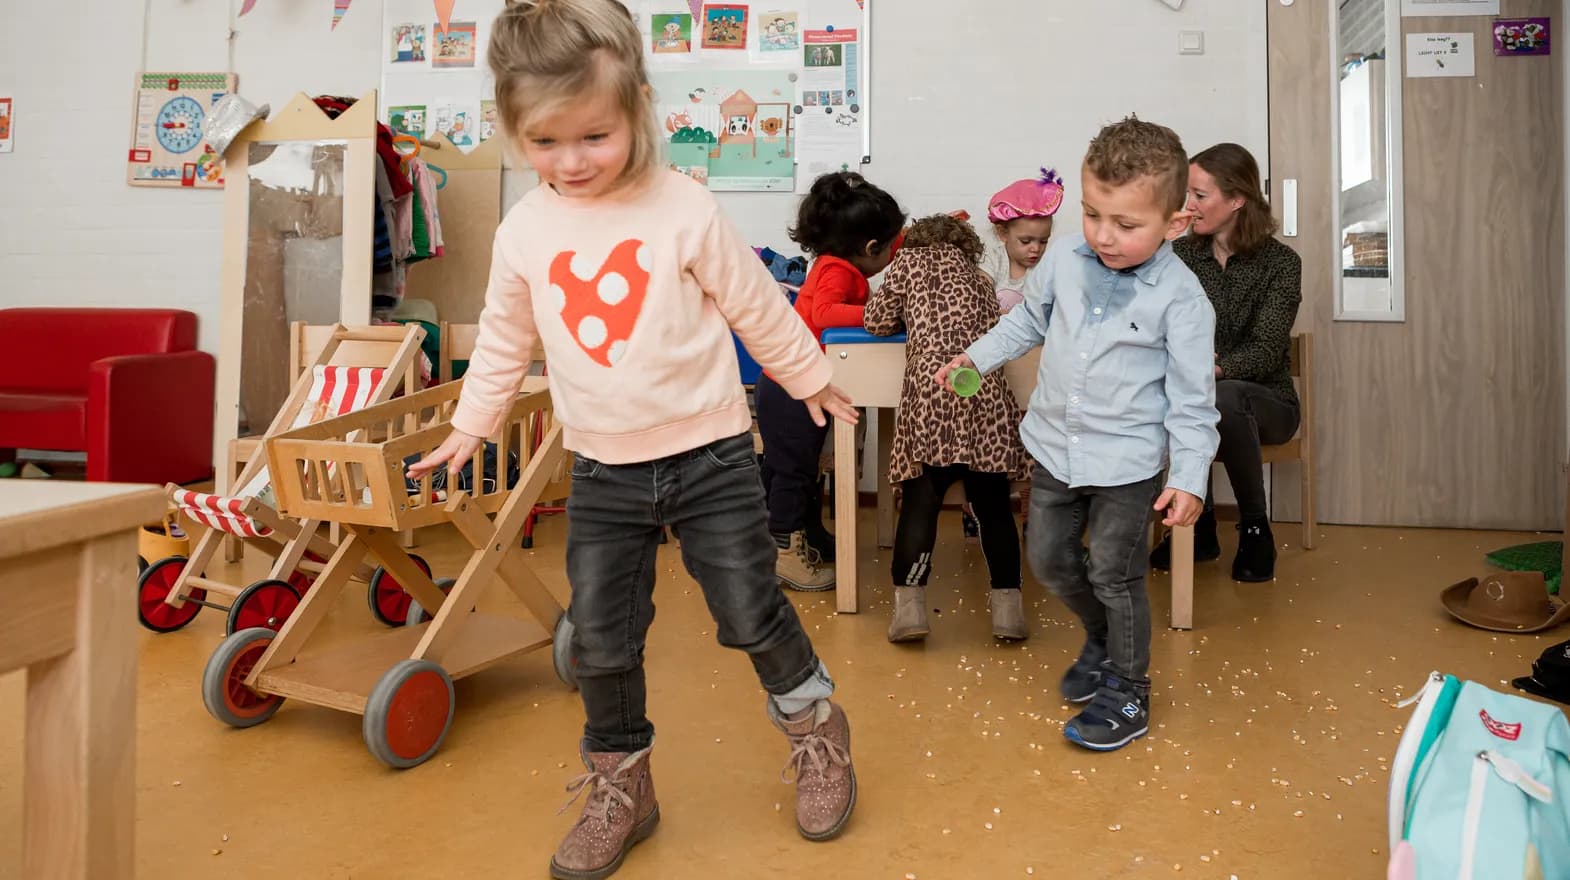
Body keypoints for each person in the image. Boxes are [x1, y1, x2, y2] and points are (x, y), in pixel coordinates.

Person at [408, 2, 860, 875]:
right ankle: (623, 781)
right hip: (605, 467)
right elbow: (504, 338)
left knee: (747, 611)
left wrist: (808, 376)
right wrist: (473, 422)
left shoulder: (681, 205)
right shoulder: (524, 231)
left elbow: (753, 303)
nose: (571, 162)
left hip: (713, 454)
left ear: (639, 109)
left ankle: (815, 726)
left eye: (594, 136)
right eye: (545, 143)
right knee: (603, 638)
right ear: (513, 132)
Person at [937, 115, 1220, 752]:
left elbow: (1194, 404)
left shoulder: (1184, 300)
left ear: (1175, 223)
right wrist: (974, 358)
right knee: (1049, 560)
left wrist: (1189, 477)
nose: (1103, 236)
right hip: (1055, 450)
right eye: (1093, 215)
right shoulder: (1065, 258)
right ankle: (1102, 635)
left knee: (1115, 575)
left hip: (1128, 465)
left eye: (1126, 225)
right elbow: (1026, 323)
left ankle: (1128, 686)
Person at [863, 213, 1030, 643]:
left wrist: (909, 319)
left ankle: (909, 609)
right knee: (993, 507)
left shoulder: (906, 265)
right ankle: (1008, 612)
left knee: (922, 500)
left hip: (932, 396)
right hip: (984, 395)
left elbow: (876, 322)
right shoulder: (978, 278)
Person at [1149, 142, 1302, 583]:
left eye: (1200, 195)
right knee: (1187, 398)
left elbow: (1268, 349)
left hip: (1268, 403)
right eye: (1187, 194)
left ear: (1236, 200)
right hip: (1200, 393)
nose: (1189, 205)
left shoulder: (1281, 264)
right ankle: (1200, 531)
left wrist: (1206, 368)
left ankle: (1255, 527)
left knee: (1223, 396)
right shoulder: (1179, 256)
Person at [755, 171, 904, 591]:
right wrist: (879, 316)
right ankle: (784, 551)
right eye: (892, 245)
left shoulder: (834, 261)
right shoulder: (838, 271)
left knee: (803, 471)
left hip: (794, 385)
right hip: (790, 390)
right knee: (792, 472)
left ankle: (808, 535)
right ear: (871, 248)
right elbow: (825, 315)